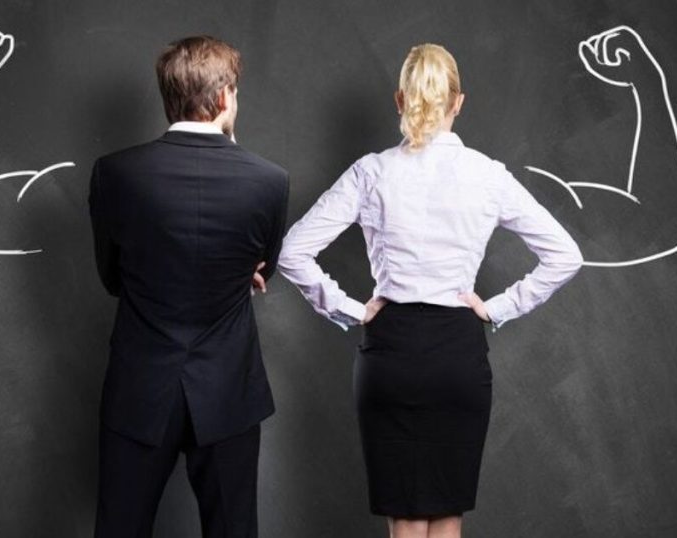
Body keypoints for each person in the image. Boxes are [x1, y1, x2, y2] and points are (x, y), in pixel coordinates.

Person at [277, 44, 583, 538]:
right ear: (458, 103)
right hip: (458, 354)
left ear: (400, 100)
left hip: (390, 351)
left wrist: (351, 310)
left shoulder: (372, 172)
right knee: (447, 518)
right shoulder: (488, 175)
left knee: (406, 520)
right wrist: (497, 308)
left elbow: (292, 252)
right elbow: (565, 254)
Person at [88, 35, 289, 538]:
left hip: (140, 389)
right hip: (228, 391)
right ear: (224, 98)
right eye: (235, 94)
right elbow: (267, 266)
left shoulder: (115, 174)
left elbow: (112, 277)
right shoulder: (267, 181)